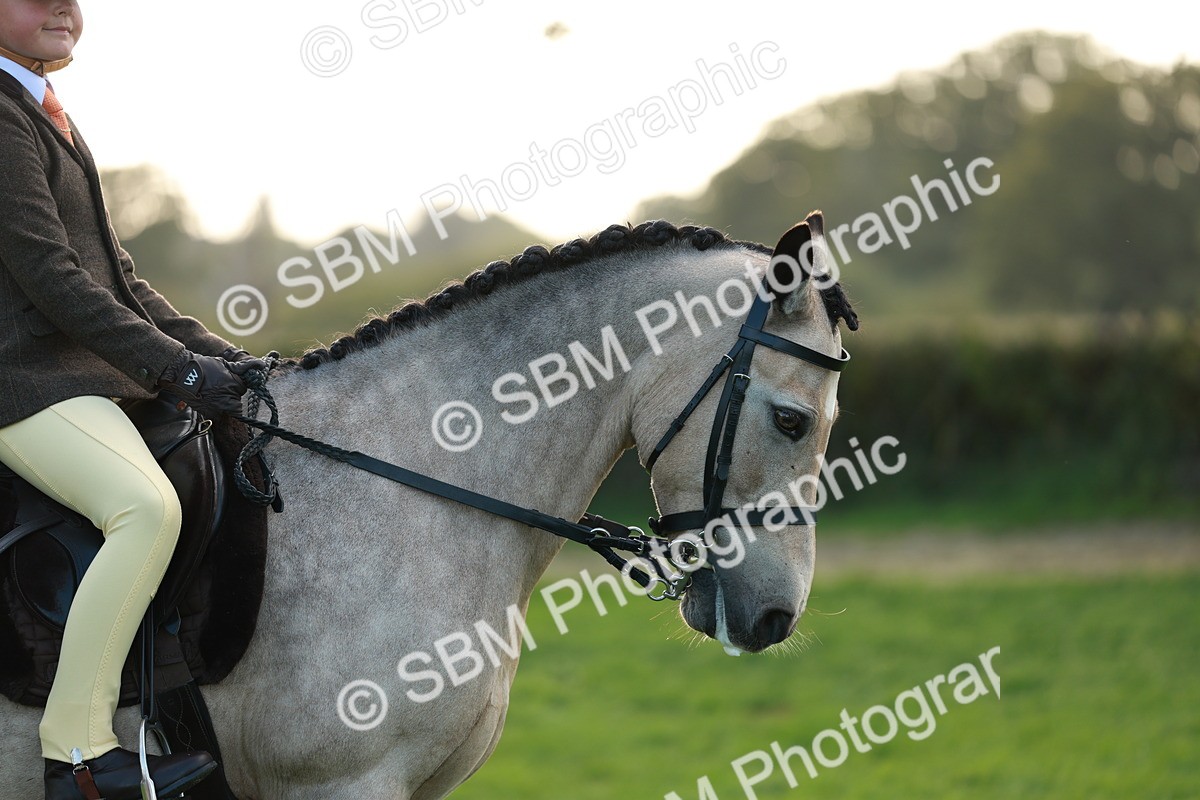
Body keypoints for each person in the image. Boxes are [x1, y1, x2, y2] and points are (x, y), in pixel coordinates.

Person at [0, 2, 266, 797]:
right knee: (143, 509)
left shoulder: (44, 110)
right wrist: (174, 372)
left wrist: (221, 356)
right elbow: (54, 281)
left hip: (79, 376)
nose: (62, 9)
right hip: (22, 382)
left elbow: (119, 276)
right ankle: (76, 756)